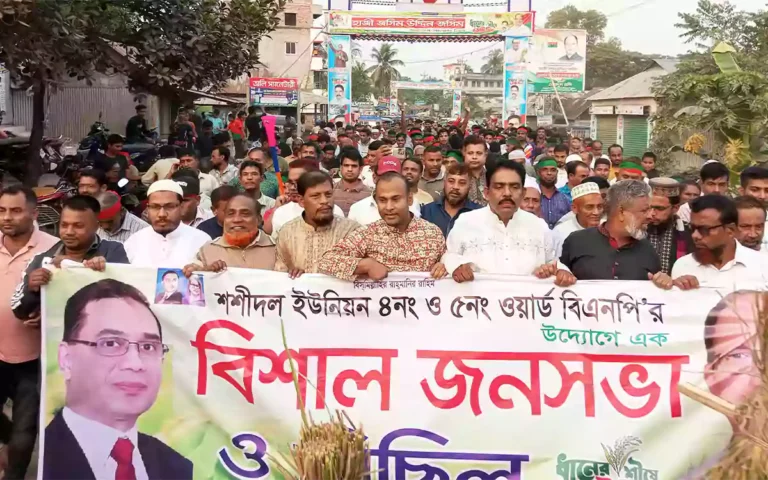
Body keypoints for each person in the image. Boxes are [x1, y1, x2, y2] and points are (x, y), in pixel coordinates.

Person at [43, 279, 192, 479]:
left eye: (148, 347)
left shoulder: (176, 467)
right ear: (66, 359)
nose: (135, 363)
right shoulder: (43, 453)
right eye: (111, 343)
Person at [0, 186, 59, 480]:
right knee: (14, 433)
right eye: (2, 211)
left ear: (34, 214)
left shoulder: (54, 249)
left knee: (25, 432)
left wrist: (47, 312)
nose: (7, 218)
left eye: (15, 210)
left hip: (33, 358)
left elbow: (67, 299)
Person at [12, 195, 130, 320]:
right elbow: (19, 311)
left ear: (96, 226)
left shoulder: (113, 251)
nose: (69, 231)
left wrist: (77, 267)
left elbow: (126, 297)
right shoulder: (42, 259)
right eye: (64, 225)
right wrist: (31, 289)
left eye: (78, 226)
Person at [443, 160, 559, 282]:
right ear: (487, 193)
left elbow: (553, 262)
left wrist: (555, 270)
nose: (507, 193)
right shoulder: (466, 222)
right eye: (499, 187)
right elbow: (449, 256)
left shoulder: (538, 226)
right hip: (478, 300)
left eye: (514, 187)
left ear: (523, 193)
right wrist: (456, 266)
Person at [318, 172, 446, 281]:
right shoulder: (367, 234)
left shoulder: (433, 234)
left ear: (409, 199)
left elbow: (450, 264)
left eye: (395, 199)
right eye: (383, 200)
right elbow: (326, 261)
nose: (389, 207)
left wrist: (444, 267)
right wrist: (365, 265)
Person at [557, 180, 671, 287]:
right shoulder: (576, 241)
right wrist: (561, 275)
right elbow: (556, 284)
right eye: (644, 210)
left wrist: (665, 282)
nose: (650, 216)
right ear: (621, 212)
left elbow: (656, 293)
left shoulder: (648, 248)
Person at [671, 194, 768, 288]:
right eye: (692, 228)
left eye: (704, 229)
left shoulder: (763, 264)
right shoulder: (683, 266)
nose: (695, 235)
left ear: (730, 230)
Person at [276, 172, 359, 276]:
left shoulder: (352, 231)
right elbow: (279, 275)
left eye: (328, 194)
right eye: (315, 196)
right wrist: (292, 276)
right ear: (301, 201)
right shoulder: (287, 233)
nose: (324, 201)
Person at [124, 180, 211, 267]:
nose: (162, 214)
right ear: (147, 209)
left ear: (181, 207)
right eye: (155, 207)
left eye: (169, 206)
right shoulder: (133, 242)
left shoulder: (201, 241)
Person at [187, 194, 276, 272]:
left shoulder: (278, 249)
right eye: (230, 214)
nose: (236, 219)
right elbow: (193, 280)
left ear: (259, 219)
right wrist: (205, 272)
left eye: (245, 214)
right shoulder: (207, 251)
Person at [267, 160, 344, 238]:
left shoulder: (334, 211)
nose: (293, 187)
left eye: (298, 182)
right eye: (290, 182)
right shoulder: (281, 212)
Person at [348, 156, 421, 225]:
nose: (389, 181)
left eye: (393, 176)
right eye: (384, 176)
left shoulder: (414, 203)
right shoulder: (357, 209)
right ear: (374, 177)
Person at [644, 177, 694, 275]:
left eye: (659, 208)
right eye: (649, 207)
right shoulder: (635, 231)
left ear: (675, 208)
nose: (652, 213)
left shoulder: (689, 233)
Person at [421, 164, 481, 237]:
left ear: (470, 187)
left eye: (462, 183)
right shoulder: (427, 211)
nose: (455, 187)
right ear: (444, 182)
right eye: (451, 181)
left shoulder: (478, 213)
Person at [553, 182, 604, 256]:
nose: (596, 212)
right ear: (575, 208)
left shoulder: (608, 228)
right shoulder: (561, 233)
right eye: (589, 207)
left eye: (599, 206)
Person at [333, 147, 371, 216]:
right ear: (341, 168)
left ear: (360, 169)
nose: (349, 169)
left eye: (354, 166)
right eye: (346, 165)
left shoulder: (369, 194)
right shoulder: (330, 191)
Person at [739, 166, 768, 251]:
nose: (762, 196)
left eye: (767, 191)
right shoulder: (725, 219)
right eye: (755, 190)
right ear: (742, 191)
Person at [536, 158, 572, 229]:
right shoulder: (532, 198)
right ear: (538, 173)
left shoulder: (566, 199)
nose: (549, 173)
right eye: (545, 169)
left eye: (553, 170)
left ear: (557, 172)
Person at [463, 135, 489, 207]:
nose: (474, 157)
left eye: (479, 153)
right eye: (470, 153)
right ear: (464, 153)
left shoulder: (492, 176)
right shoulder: (456, 176)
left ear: (485, 154)